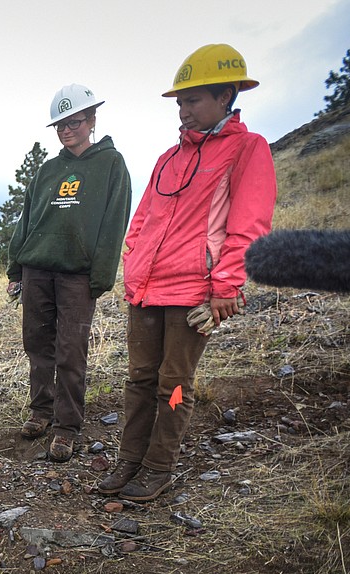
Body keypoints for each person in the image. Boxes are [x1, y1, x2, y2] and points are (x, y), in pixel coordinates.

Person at [98, 43, 276, 502]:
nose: (183, 110)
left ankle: (159, 467)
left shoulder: (247, 150)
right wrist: (132, 263)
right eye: (180, 101)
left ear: (226, 96)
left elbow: (249, 225)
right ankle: (129, 461)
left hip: (193, 296)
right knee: (139, 378)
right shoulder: (168, 158)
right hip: (146, 291)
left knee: (173, 385)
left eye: (193, 100)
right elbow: (142, 221)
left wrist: (226, 287)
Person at [6, 84, 131, 462]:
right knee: (37, 346)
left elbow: (115, 223)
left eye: (74, 121)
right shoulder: (46, 170)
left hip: (77, 275)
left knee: (70, 351)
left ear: (92, 120)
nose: (66, 130)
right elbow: (26, 221)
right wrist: (16, 268)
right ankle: (41, 412)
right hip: (37, 269)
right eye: (60, 124)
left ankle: (66, 426)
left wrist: (101, 277)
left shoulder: (111, 164)